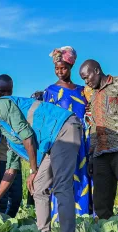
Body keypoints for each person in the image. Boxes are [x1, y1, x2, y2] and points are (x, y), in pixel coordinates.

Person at [0, 89, 82, 232]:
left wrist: (33, 170)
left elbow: (27, 136)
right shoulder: (7, 135)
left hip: (63, 128)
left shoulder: (0, 106)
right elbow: (11, 171)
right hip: (50, 143)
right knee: (39, 187)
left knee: (61, 185)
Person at [79, 59, 118, 222]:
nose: (86, 81)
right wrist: (92, 154)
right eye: (83, 79)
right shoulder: (92, 96)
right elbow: (93, 125)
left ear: (97, 70)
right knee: (101, 197)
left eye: (87, 77)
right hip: (100, 152)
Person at [43, 46, 92, 220]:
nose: (59, 72)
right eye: (56, 68)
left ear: (71, 67)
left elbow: (89, 113)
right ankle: (60, 219)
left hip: (81, 141)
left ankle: (83, 217)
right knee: (62, 177)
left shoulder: (82, 90)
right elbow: (47, 118)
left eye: (63, 68)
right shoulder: (50, 91)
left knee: (82, 176)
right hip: (61, 141)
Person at [0, 74, 22, 218]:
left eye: (9, 91)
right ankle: (0, 226)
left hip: (14, 157)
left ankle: (10, 222)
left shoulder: (14, 104)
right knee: (0, 198)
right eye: (2, 91)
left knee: (16, 197)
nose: (5, 95)